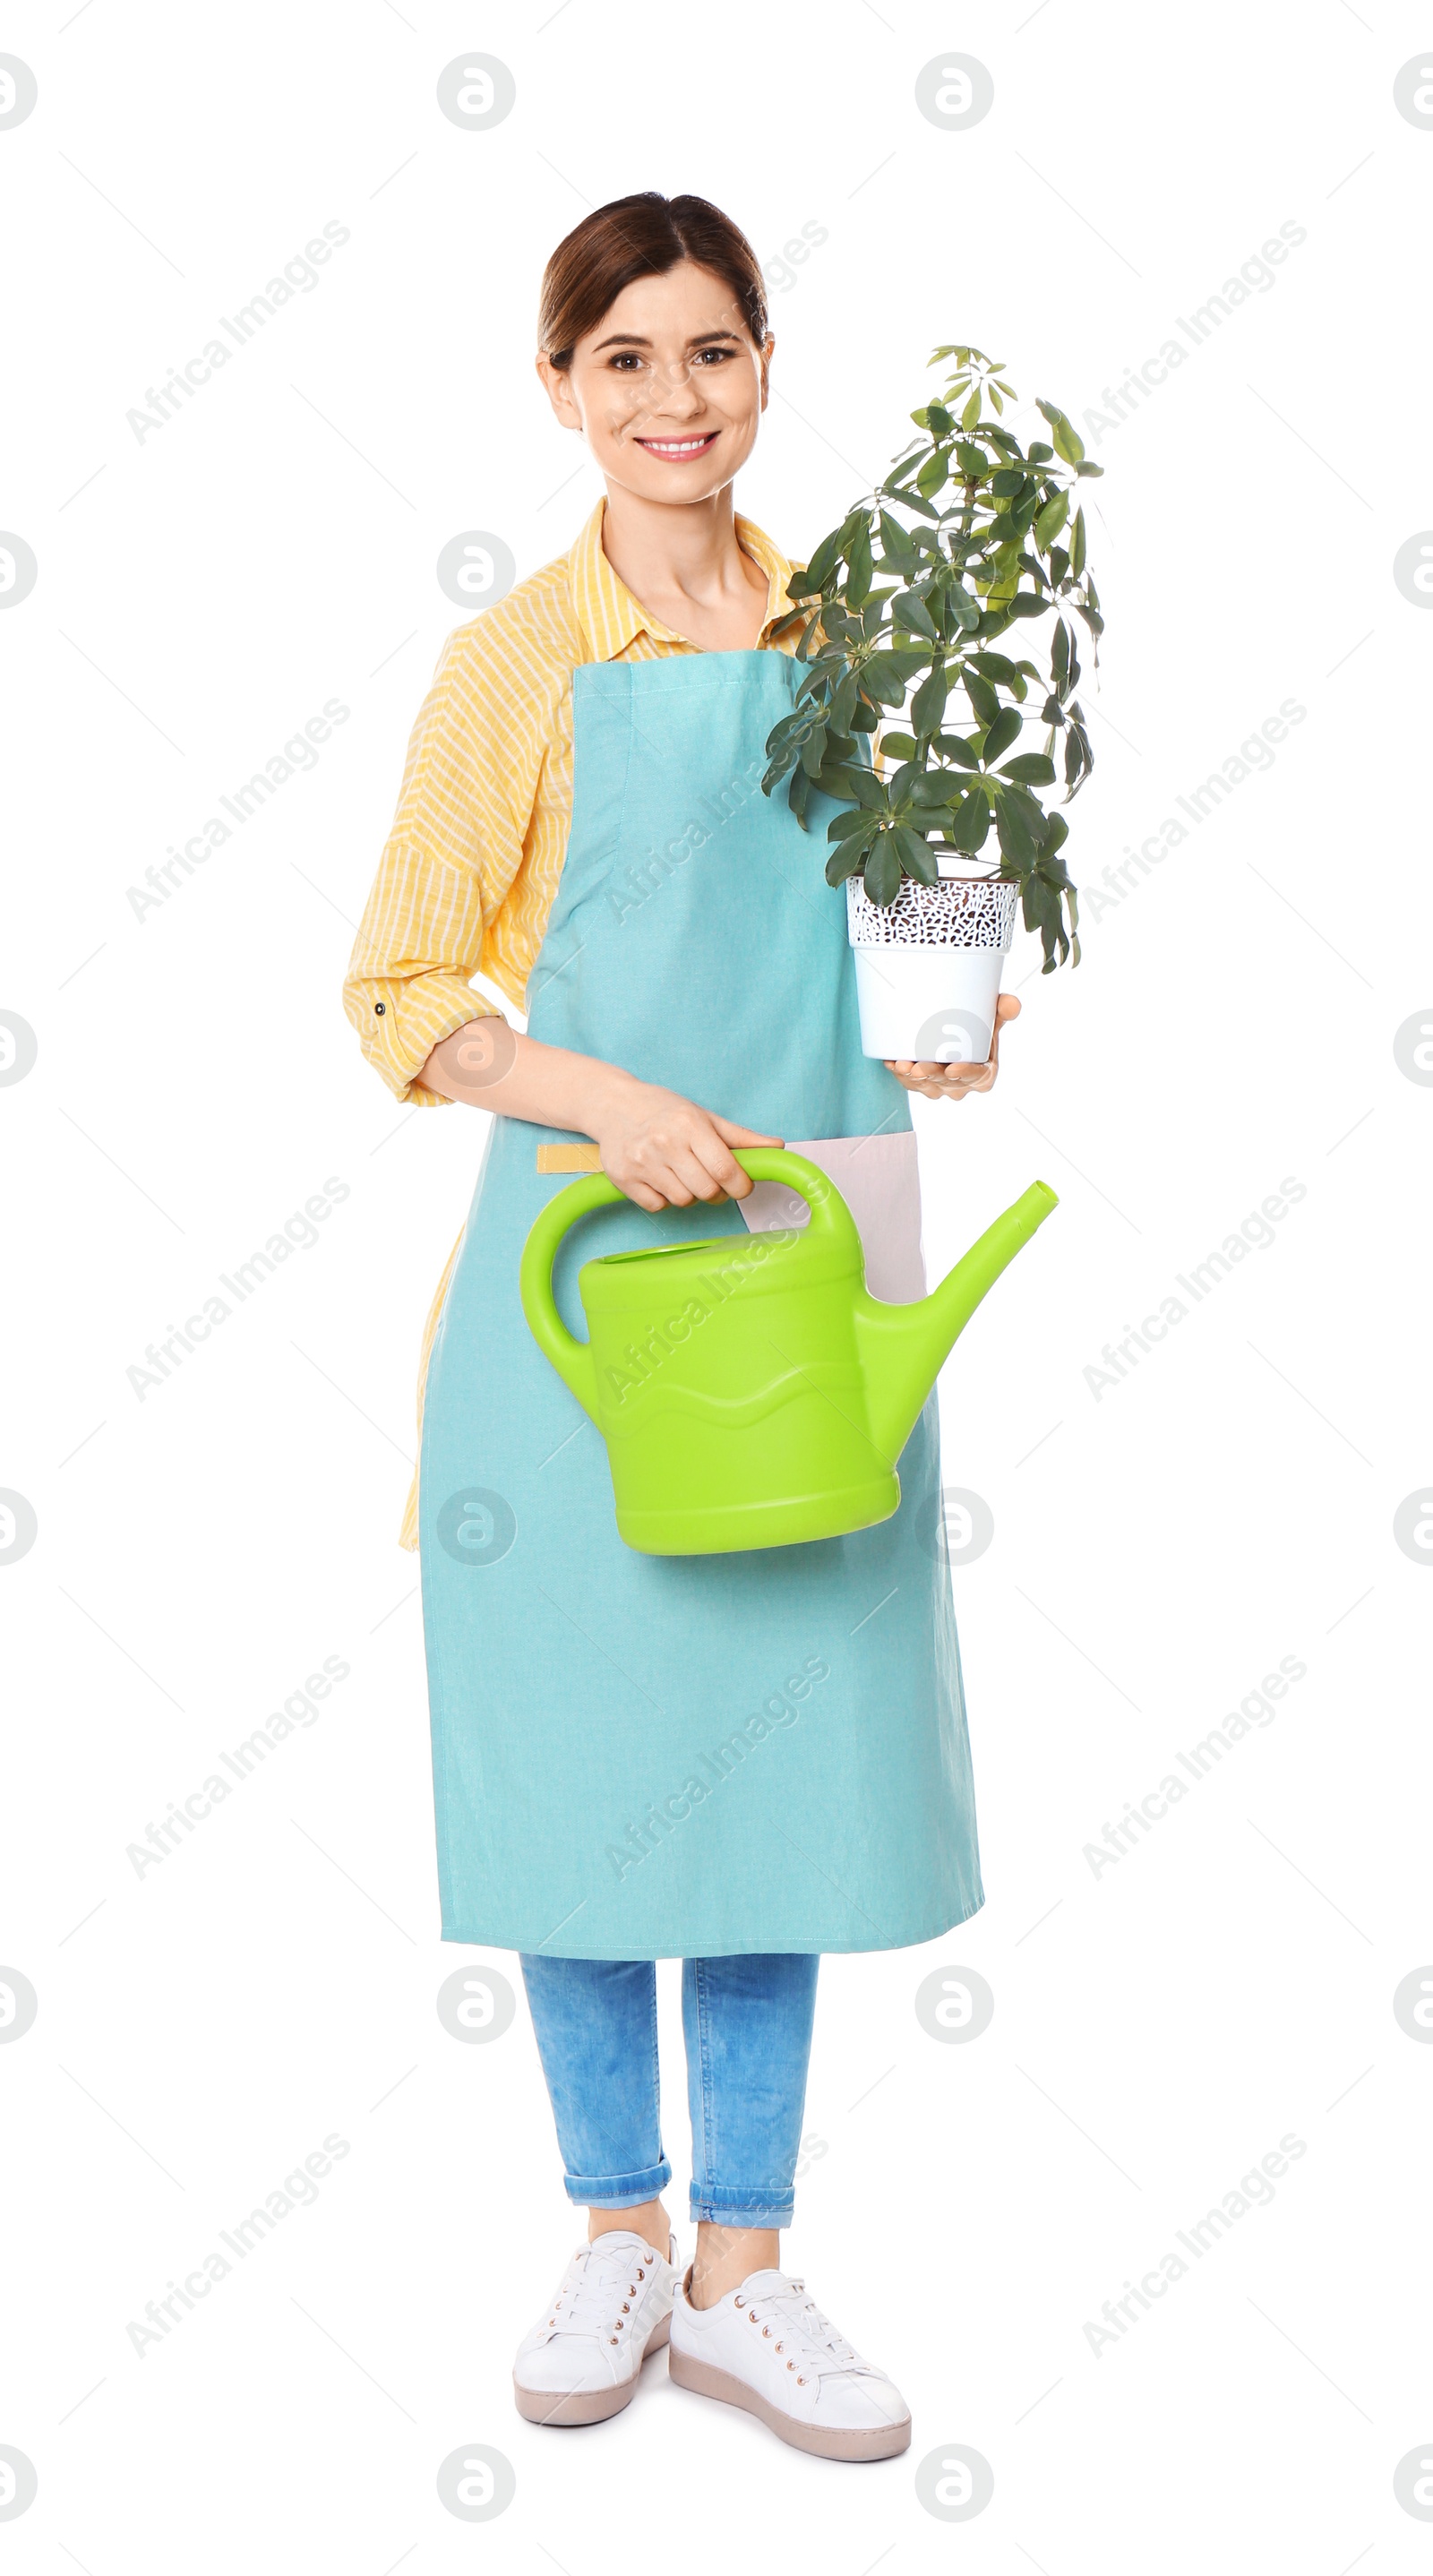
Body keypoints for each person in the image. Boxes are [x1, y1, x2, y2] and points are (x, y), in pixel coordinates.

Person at [344, 191, 1017, 2463]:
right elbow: (403, 991)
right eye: (620, 358)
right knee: (582, 1772)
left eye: (710, 352)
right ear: (557, 388)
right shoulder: (514, 668)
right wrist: (601, 1096)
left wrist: (945, 1015)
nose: (670, 399)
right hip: (575, 1297)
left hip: (810, 1262)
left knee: (777, 1765)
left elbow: (912, 905)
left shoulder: (857, 635)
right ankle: (612, 2225)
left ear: (761, 367)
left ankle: (743, 2268)